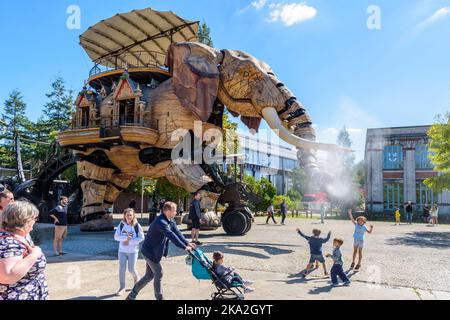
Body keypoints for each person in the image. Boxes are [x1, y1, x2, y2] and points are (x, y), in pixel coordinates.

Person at [126, 202, 196, 300]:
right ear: (167, 211)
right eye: (174, 210)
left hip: (153, 251)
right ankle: (159, 298)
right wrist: (184, 247)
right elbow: (171, 235)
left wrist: (187, 243)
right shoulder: (161, 222)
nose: (176, 212)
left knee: (149, 276)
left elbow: (177, 232)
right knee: (159, 273)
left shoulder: (170, 220)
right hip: (150, 252)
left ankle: (131, 296)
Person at [0, 201, 48, 300]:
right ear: (25, 220)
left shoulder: (15, 237)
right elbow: (7, 276)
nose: (35, 221)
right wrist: (35, 254)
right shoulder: (9, 242)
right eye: (34, 218)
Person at [114, 208, 145, 296]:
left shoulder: (136, 225)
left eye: (130, 215)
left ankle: (137, 278)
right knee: (122, 269)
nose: (129, 216)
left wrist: (130, 241)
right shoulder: (121, 224)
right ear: (124, 215)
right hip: (122, 251)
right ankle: (122, 288)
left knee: (131, 269)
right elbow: (116, 237)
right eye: (127, 215)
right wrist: (125, 239)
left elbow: (141, 237)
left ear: (133, 215)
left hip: (133, 251)